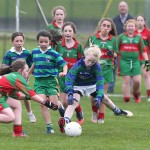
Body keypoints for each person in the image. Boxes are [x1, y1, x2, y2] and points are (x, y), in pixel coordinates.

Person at [58, 45, 132, 133]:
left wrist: (99, 97)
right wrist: (70, 93)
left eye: (93, 62)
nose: (90, 63)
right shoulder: (78, 65)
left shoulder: (97, 67)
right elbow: (69, 79)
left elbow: (100, 83)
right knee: (73, 102)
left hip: (92, 86)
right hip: (78, 87)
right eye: (89, 60)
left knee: (105, 99)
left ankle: (117, 111)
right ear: (85, 56)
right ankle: (65, 121)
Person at [0, 59, 58, 137]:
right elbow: (31, 94)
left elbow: (16, 96)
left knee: (16, 104)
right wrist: (47, 103)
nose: (27, 73)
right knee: (10, 117)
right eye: (26, 70)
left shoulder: (12, 76)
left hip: (2, 96)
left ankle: (18, 132)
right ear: (20, 71)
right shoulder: (17, 77)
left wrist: (29, 97)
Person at [29, 30, 68, 134]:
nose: (43, 44)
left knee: (54, 105)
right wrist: (28, 74)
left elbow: (64, 64)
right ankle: (49, 127)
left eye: (45, 42)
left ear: (50, 41)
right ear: (38, 41)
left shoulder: (53, 53)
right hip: (39, 82)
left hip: (51, 81)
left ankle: (60, 106)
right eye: (41, 42)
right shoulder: (34, 52)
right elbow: (34, 64)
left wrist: (64, 72)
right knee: (43, 103)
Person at [84, 18, 118, 124]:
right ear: (100, 26)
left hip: (107, 69)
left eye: (108, 26)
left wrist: (112, 54)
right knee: (93, 94)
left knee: (103, 94)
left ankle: (101, 116)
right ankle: (95, 113)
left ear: (111, 28)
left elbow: (116, 54)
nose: (106, 28)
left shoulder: (113, 40)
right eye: (104, 25)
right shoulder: (93, 38)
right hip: (93, 69)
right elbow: (85, 51)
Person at [2, 32, 36, 123]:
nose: (19, 43)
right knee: (15, 96)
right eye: (17, 41)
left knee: (25, 93)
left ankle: (30, 113)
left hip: (23, 78)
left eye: (21, 41)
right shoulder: (9, 54)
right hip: (11, 79)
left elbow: (31, 65)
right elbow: (4, 66)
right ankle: (13, 114)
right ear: (12, 42)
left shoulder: (27, 53)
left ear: (23, 42)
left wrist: (28, 74)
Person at [56, 22, 84, 125]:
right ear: (62, 32)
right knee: (63, 102)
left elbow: (82, 61)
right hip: (62, 76)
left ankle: (78, 112)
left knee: (71, 99)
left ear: (74, 33)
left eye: (70, 31)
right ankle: (70, 117)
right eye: (65, 31)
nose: (67, 33)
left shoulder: (78, 46)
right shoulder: (59, 45)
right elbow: (55, 58)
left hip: (74, 77)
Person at [117, 19, 149, 103]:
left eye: (132, 26)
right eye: (129, 26)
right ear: (125, 27)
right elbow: (116, 49)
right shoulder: (121, 37)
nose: (130, 27)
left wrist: (147, 62)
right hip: (124, 61)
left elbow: (143, 50)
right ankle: (126, 98)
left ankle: (136, 93)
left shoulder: (138, 37)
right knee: (126, 80)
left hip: (135, 62)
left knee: (137, 81)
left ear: (135, 28)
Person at [108, 0, 134, 93]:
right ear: (119, 8)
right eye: (121, 6)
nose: (122, 8)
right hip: (116, 48)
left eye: (124, 6)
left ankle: (129, 90)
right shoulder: (114, 20)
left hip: (128, 50)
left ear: (127, 8)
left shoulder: (132, 19)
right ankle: (110, 89)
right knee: (112, 68)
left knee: (129, 70)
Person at [135, 15, 150, 101]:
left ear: (144, 22)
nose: (140, 22)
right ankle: (137, 96)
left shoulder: (148, 33)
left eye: (141, 20)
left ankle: (149, 95)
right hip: (135, 59)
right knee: (137, 78)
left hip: (145, 59)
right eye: (138, 20)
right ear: (136, 22)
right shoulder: (133, 33)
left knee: (146, 75)